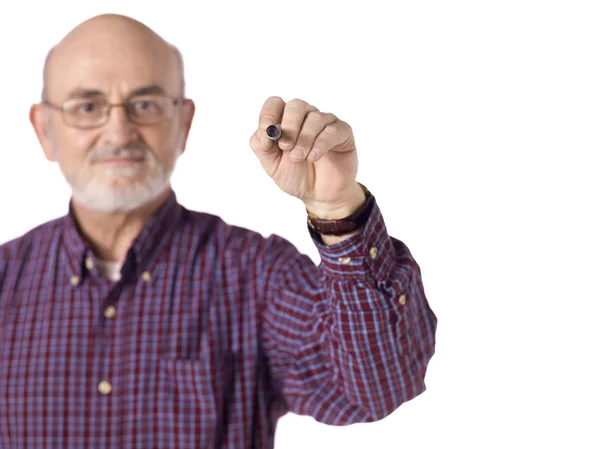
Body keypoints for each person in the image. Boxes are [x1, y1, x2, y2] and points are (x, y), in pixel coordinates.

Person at [0, 13, 438, 449]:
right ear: (45, 130)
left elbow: (379, 388)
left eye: (145, 104)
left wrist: (336, 206)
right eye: (88, 107)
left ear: (183, 124)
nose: (119, 131)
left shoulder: (254, 275)